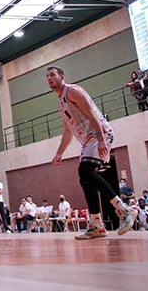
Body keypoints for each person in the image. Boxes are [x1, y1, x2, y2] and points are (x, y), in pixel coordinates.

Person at [47, 65, 138, 240]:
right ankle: (97, 225)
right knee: (85, 179)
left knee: (85, 171)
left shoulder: (73, 91)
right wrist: (59, 153)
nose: (49, 78)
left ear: (62, 77)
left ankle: (125, 210)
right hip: (88, 140)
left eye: (52, 75)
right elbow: (68, 131)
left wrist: (101, 138)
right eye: (47, 76)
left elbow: (92, 113)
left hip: (99, 134)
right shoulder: (60, 102)